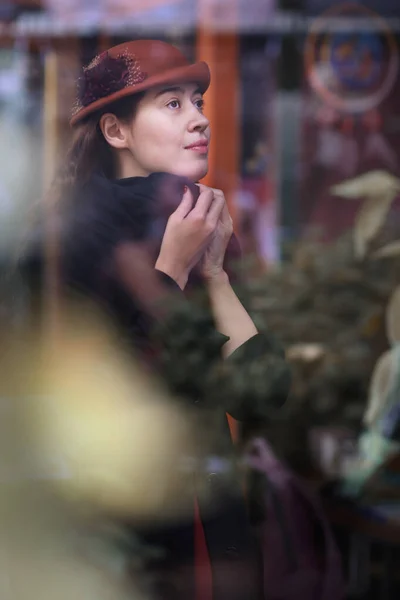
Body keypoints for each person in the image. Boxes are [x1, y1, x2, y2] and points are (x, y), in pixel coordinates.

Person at [18, 40, 291, 600]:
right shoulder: (74, 235)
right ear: (116, 132)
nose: (199, 119)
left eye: (198, 100)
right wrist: (168, 268)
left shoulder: (196, 218)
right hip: (117, 519)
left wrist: (214, 273)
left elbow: (263, 395)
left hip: (210, 511)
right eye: (172, 103)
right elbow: (111, 397)